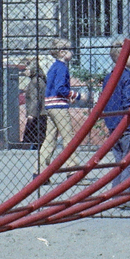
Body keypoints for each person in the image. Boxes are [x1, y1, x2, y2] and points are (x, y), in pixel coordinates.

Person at [39, 38, 83, 172]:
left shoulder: (53, 67)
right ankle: (72, 168)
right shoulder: (62, 68)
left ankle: (40, 170)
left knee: (50, 138)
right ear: (62, 52)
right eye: (69, 50)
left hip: (50, 105)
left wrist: (67, 98)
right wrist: (77, 95)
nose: (72, 52)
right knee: (68, 137)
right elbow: (60, 89)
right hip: (59, 107)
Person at [103, 42, 130, 161]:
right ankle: (127, 179)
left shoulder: (108, 77)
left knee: (119, 161)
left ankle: (119, 180)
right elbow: (129, 101)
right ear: (122, 57)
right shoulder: (127, 77)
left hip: (111, 122)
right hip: (125, 123)